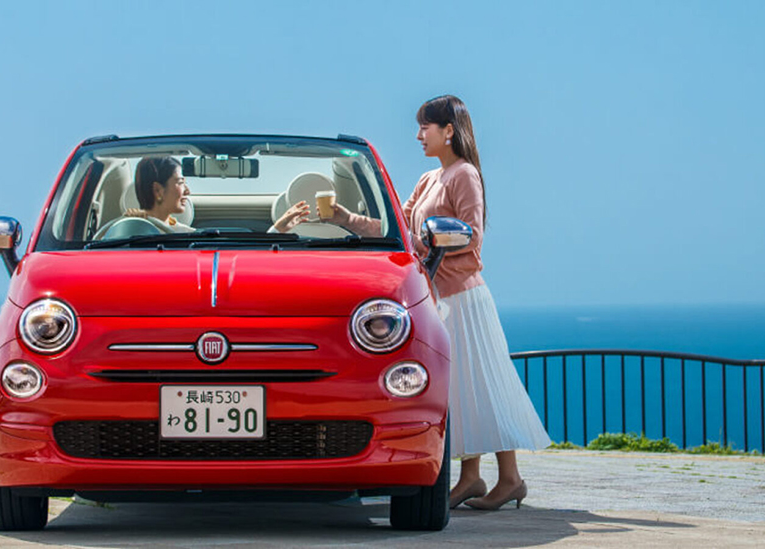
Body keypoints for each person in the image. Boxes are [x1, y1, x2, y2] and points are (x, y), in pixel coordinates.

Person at [327, 95, 551, 511]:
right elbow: (396, 228)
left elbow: (472, 235)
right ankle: (472, 478)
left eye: (425, 127)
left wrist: (429, 239)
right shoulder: (430, 179)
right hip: (439, 297)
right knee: (463, 387)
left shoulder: (464, 175)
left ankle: (510, 479)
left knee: (481, 384)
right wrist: (344, 218)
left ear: (449, 130)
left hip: (463, 297)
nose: (418, 135)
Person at [126, 156, 310, 234]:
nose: (188, 192)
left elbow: (244, 261)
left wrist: (277, 230)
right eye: (181, 183)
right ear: (158, 190)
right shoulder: (120, 236)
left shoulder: (181, 233)